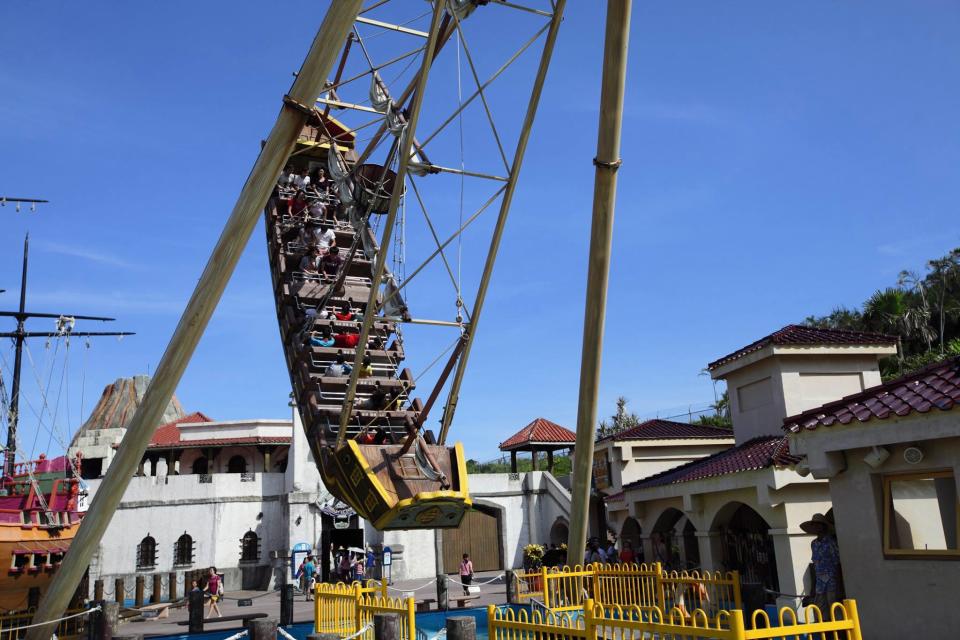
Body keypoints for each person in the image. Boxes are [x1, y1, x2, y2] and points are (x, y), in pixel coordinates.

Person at [801, 513, 841, 612]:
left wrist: (839, 585)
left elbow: (837, 563)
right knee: (820, 610)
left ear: (823, 526)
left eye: (818, 524)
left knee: (834, 608)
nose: (816, 526)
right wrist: (812, 588)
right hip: (820, 584)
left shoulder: (831, 543)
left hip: (832, 581)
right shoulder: (814, 544)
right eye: (814, 524)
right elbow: (815, 566)